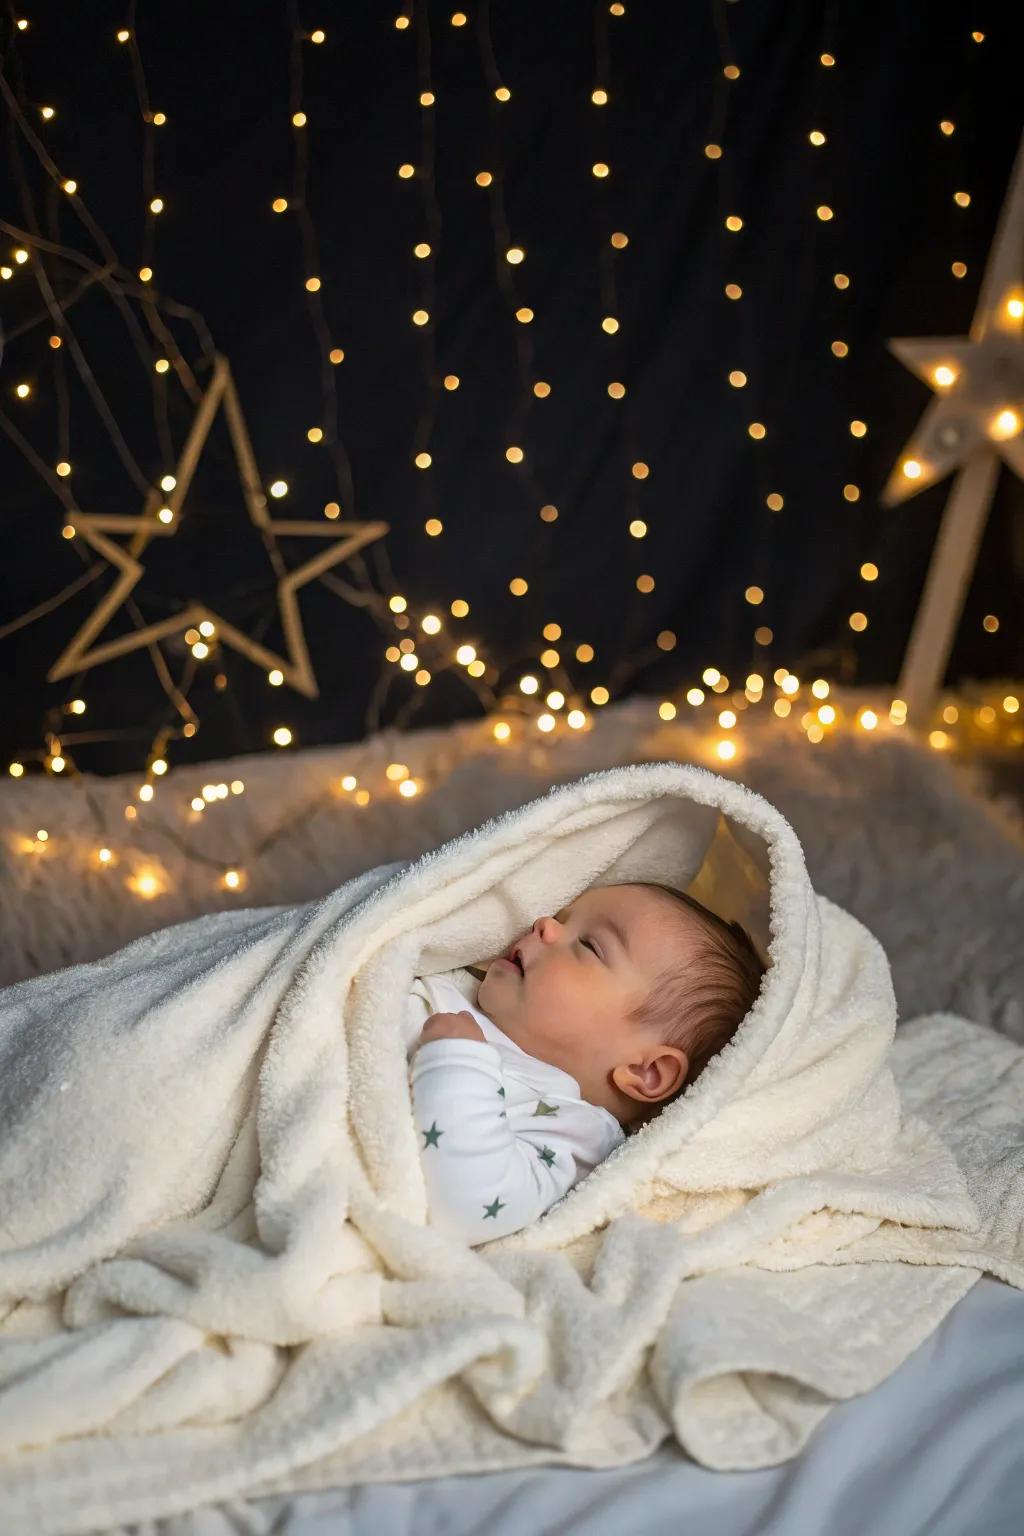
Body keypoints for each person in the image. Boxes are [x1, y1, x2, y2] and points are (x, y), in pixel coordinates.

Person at [405, 880, 766, 1244]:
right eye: (563, 916)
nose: (545, 923)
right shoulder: (460, 979)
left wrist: (458, 1065)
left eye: (589, 945)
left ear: (646, 1070)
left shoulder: (571, 1128)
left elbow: (471, 1209)